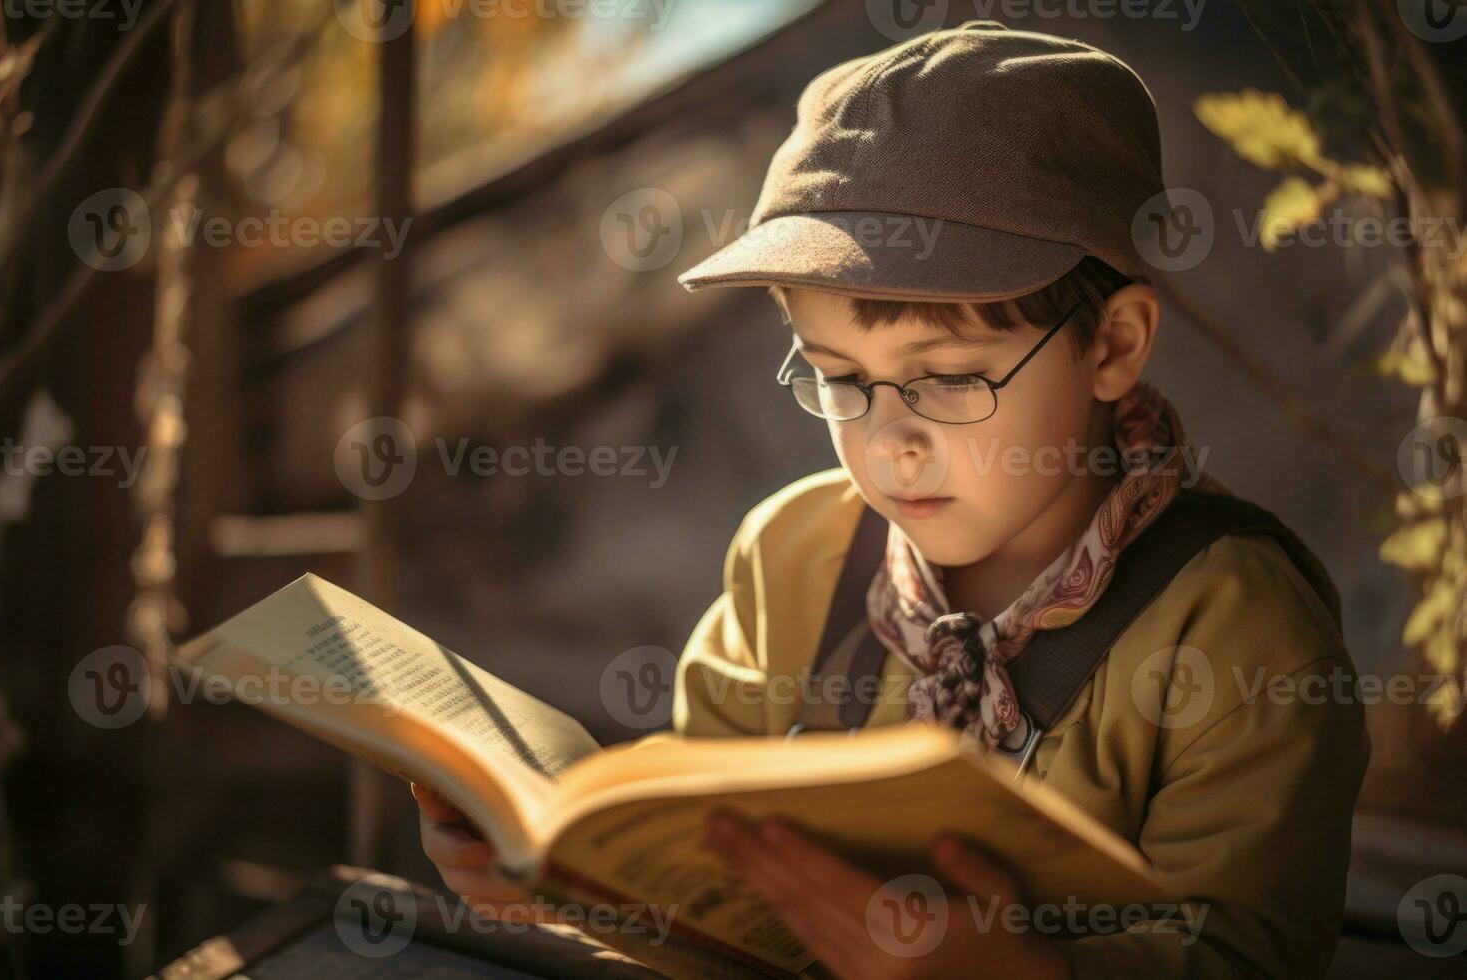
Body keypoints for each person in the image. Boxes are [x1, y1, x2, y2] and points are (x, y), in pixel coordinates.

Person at [417, 21, 1369, 978]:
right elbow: (709, 897)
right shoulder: (795, 557)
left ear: (1113, 346)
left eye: (951, 378)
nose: (887, 440)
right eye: (839, 378)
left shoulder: (1238, 629)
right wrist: (564, 892)